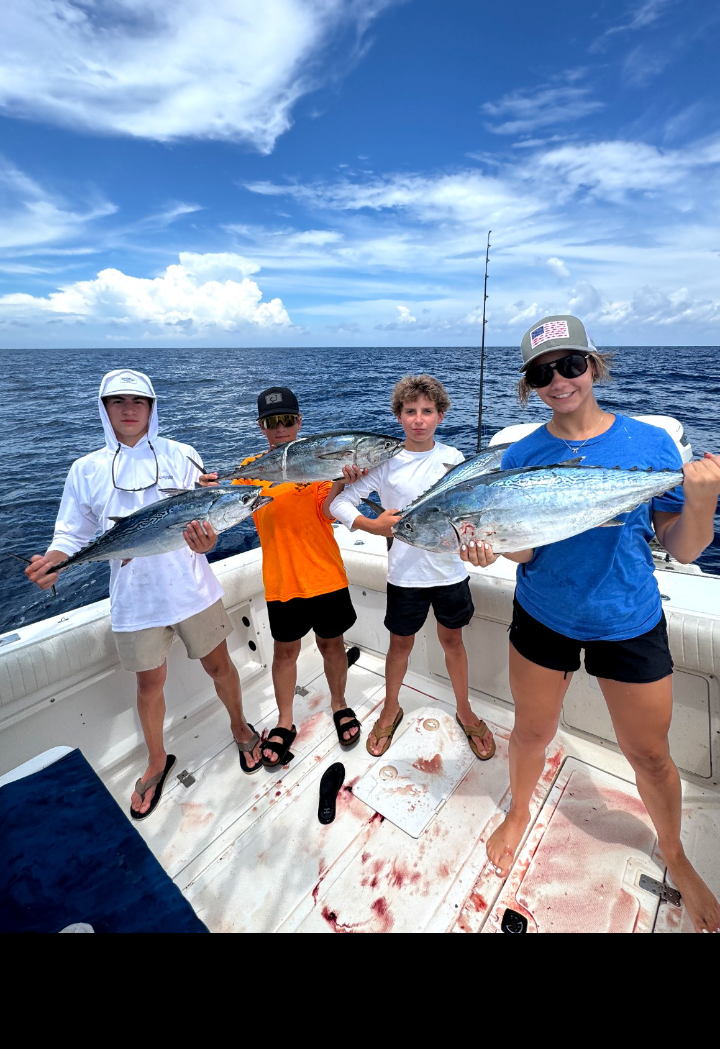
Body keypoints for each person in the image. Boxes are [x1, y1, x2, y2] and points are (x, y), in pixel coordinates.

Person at [466, 314, 720, 934]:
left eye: (570, 364)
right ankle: (519, 810)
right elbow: (528, 549)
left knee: (652, 757)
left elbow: (683, 550)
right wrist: (493, 544)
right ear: (530, 384)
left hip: (627, 618)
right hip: (544, 615)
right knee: (529, 733)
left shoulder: (651, 447)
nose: (559, 380)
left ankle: (676, 854)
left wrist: (705, 500)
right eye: (542, 372)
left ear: (594, 365)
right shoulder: (522, 454)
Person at [24, 368, 262, 812]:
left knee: (220, 665)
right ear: (104, 408)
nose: (129, 409)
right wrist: (53, 564)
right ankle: (157, 759)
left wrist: (210, 541)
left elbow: (205, 512)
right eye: (118, 401)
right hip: (134, 599)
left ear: (152, 408)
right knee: (150, 682)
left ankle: (240, 726)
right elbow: (71, 536)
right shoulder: (85, 469)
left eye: (139, 401)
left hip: (192, 588)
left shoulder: (182, 454)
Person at [327, 374, 495, 761]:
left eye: (427, 411)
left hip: (451, 573)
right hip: (405, 576)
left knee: (453, 642)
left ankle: (464, 709)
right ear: (399, 417)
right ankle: (391, 707)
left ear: (440, 415)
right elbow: (337, 505)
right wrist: (373, 525)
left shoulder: (454, 459)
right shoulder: (386, 463)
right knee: (399, 645)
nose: (418, 419)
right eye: (410, 411)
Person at [203, 386, 363, 769]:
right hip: (282, 580)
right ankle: (285, 720)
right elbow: (224, 510)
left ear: (299, 422)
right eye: (273, 422)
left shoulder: (319, 463)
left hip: (325, 575)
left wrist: (345, 480)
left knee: (332, 645)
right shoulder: (250, 470)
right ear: (262, 427)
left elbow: (328, 511)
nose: (281, 428)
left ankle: (339, 704)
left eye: (288, 420)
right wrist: (208, 490)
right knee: (285, 653)